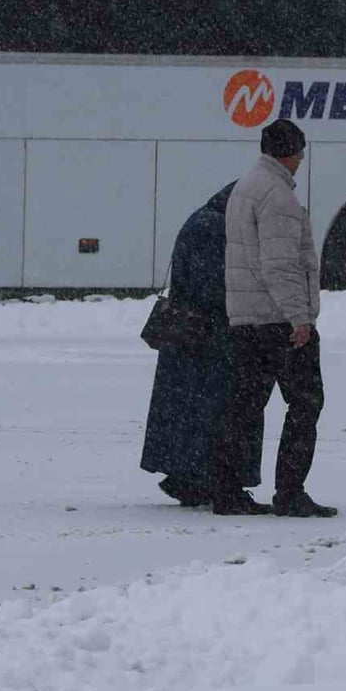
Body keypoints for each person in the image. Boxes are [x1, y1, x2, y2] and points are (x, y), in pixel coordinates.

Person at [209, 119, 336, 517]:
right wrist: (299, 317)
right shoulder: (277, 195)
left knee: (244, 406)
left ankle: (226, 490)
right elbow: (279, 265)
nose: (301, 159)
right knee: (305, 403)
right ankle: (290, 492)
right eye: (300, 152)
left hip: (248, 319)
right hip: (278, 321)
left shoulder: (245, 186)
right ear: (289, 152)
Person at [141, 182, 263, 507]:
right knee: (207, 410)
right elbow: (215, 287)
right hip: (203, 337)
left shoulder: (204, 220)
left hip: (191, 337)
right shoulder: (214, 228)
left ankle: (188, 477)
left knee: (188, 411)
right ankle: (194, 478)